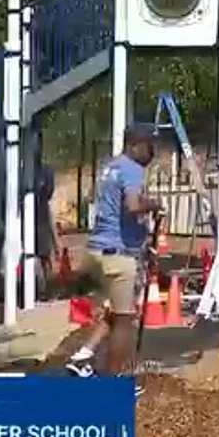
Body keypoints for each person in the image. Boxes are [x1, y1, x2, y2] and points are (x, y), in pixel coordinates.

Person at [64, 125, 163, 396]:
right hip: (117, 255)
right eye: (149, 145)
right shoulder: (132, 168)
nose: (152, 152)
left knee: (114, 311)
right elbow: (132, 205)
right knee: (124, 320)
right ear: (136, 145)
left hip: (98, 250)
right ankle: (115, 383)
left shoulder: (112, 167)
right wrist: (154, 204)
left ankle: (83, 356)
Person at [35, 162, 59, 299]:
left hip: (40, 219)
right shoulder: (44, 171)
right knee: (42, 258)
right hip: (40, 219)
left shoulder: (44, 171)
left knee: (43, 257)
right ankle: (43, 290)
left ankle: (43, 290)